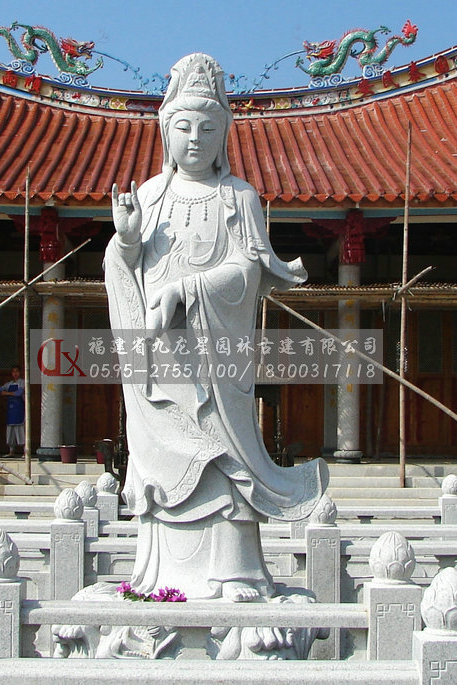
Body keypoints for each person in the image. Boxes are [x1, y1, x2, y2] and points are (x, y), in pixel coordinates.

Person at [105, 53, 328, 601]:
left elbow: (248, 269)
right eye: (184, 126)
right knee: (164, 462)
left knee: (225, 458)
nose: (195, 139)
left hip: (216, 357)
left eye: (208, 128)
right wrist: (127, 239)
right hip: (162, 360)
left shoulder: (239, 197)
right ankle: (158, 574)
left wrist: (188, 290)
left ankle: (235, 570)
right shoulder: (150, 196)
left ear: (224, 133)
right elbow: (124, 268)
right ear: (166, 132)